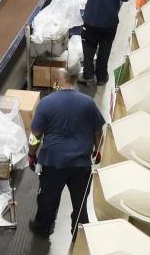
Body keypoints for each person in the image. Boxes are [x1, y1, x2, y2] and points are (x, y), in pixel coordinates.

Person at [27, 72, 106, 237]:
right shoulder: (88, 103)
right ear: (72, 82)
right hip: (81, 164)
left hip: (53, 163)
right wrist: (97, 150)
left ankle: (42, 228)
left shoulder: (46, 103)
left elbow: (35, 135)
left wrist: (32, 154)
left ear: (56, 83)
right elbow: (98, 131)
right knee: (80, 202)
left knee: (48, 199)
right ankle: (79, 233)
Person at [78, 0, 129, 84]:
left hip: (92, 21)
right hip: (110, 22)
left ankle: (88, 75)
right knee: (105, 49)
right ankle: (101, 77)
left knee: (88, 46)